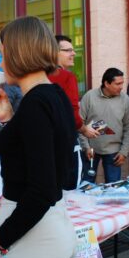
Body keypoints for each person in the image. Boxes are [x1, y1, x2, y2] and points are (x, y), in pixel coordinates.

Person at [0, 16, 76, 258]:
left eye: (3, 51)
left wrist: (2, 238)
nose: (0, 60)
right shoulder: (52, 95)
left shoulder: (36, 103)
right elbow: (38, 155)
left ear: (18, 52)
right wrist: (8, 118)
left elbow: (42, 188)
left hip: (33, 237)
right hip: (53, 227)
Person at [79, 67, 129, 183]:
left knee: (113, 187)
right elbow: (80, 123)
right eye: (118, 84)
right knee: (86, 185)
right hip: (90, 150)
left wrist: (124, 152)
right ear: (106, 83)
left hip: (114, 152)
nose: (121, 87)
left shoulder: (125, 100)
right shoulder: (89, 96)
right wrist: (86, 147)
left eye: (122, 83)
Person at [49, 34, 84, 188]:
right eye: (68, 50)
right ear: (54, 53)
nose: (73, 53)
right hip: (65, 142)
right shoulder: (67, 77)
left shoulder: (38, 75)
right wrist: (85, 129)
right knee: (70, 190)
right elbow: (73, 112)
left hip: (44, 142)